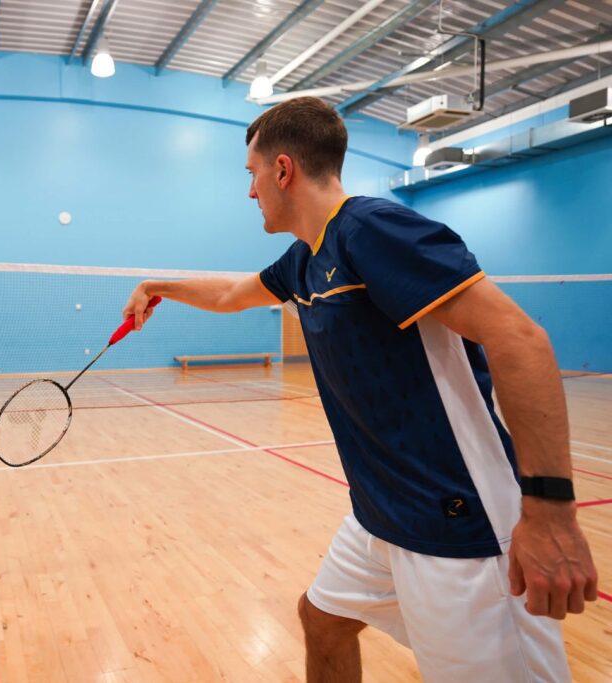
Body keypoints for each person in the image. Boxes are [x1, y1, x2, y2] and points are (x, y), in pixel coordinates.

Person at [122, 97, 598, 681]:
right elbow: (231, 293)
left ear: (283, 170)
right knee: (321, 619)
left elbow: (520, 339)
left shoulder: (374, 230)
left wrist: (550, 514)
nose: (249, 192)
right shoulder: (306, 260)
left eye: (251, 174)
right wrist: (157, 285)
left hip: (456, 520)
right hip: (379, 515)